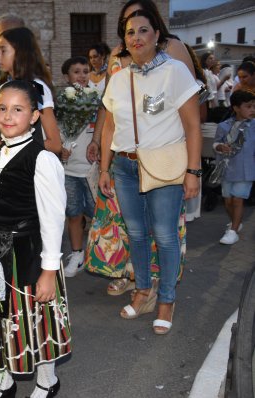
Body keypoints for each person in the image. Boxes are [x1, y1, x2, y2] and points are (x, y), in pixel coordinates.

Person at [0, 80, 70, 398]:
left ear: (35, 116)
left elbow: (52, 219)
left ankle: (47, 380)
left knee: (35, 320)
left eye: (18, 109)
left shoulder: (43, 159)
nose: (8, 116)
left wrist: (49, 271)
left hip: (27, 254)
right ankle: (3, 382)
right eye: (2, 108)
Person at [98, 8, 201, 334]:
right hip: (125, 167)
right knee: (137, 234)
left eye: (143, 31)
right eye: (130, 33)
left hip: (163, 166)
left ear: (157, 35)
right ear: (124, 40)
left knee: (166, 236)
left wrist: (193, 172)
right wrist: (104, 167)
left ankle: (166, 299)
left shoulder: (175, 72)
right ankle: (144, 291)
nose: (136, 38)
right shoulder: (118, 79)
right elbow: (109, 127)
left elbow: (193, 126)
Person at [58, 57, 97, 278]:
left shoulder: (96, 99)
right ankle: (77, 254)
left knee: (98, 215)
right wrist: (60, 148)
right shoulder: (61, 102)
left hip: (92, 169)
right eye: (76, 72)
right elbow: (55, 132)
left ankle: (101, 254)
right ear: (67, 77)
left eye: (85, 71)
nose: (82, 76)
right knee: (73, 214)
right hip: (68, 170)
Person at [0, 27, 62, 154]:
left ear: (21, 52)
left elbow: (55, 144)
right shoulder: (9, 84)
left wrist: (6, 144)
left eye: (3, 50)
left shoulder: (36, 87)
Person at [214, 90, 255, 245]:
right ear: (236, 108)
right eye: (248, 106)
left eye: (254, 106)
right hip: (227, 168)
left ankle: (233, 231)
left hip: (246, 169)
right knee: (228, 201)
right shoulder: (224, 126)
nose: (252, 110)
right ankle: (235, 223)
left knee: (238, 199)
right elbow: (216, 143)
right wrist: (220, 147)